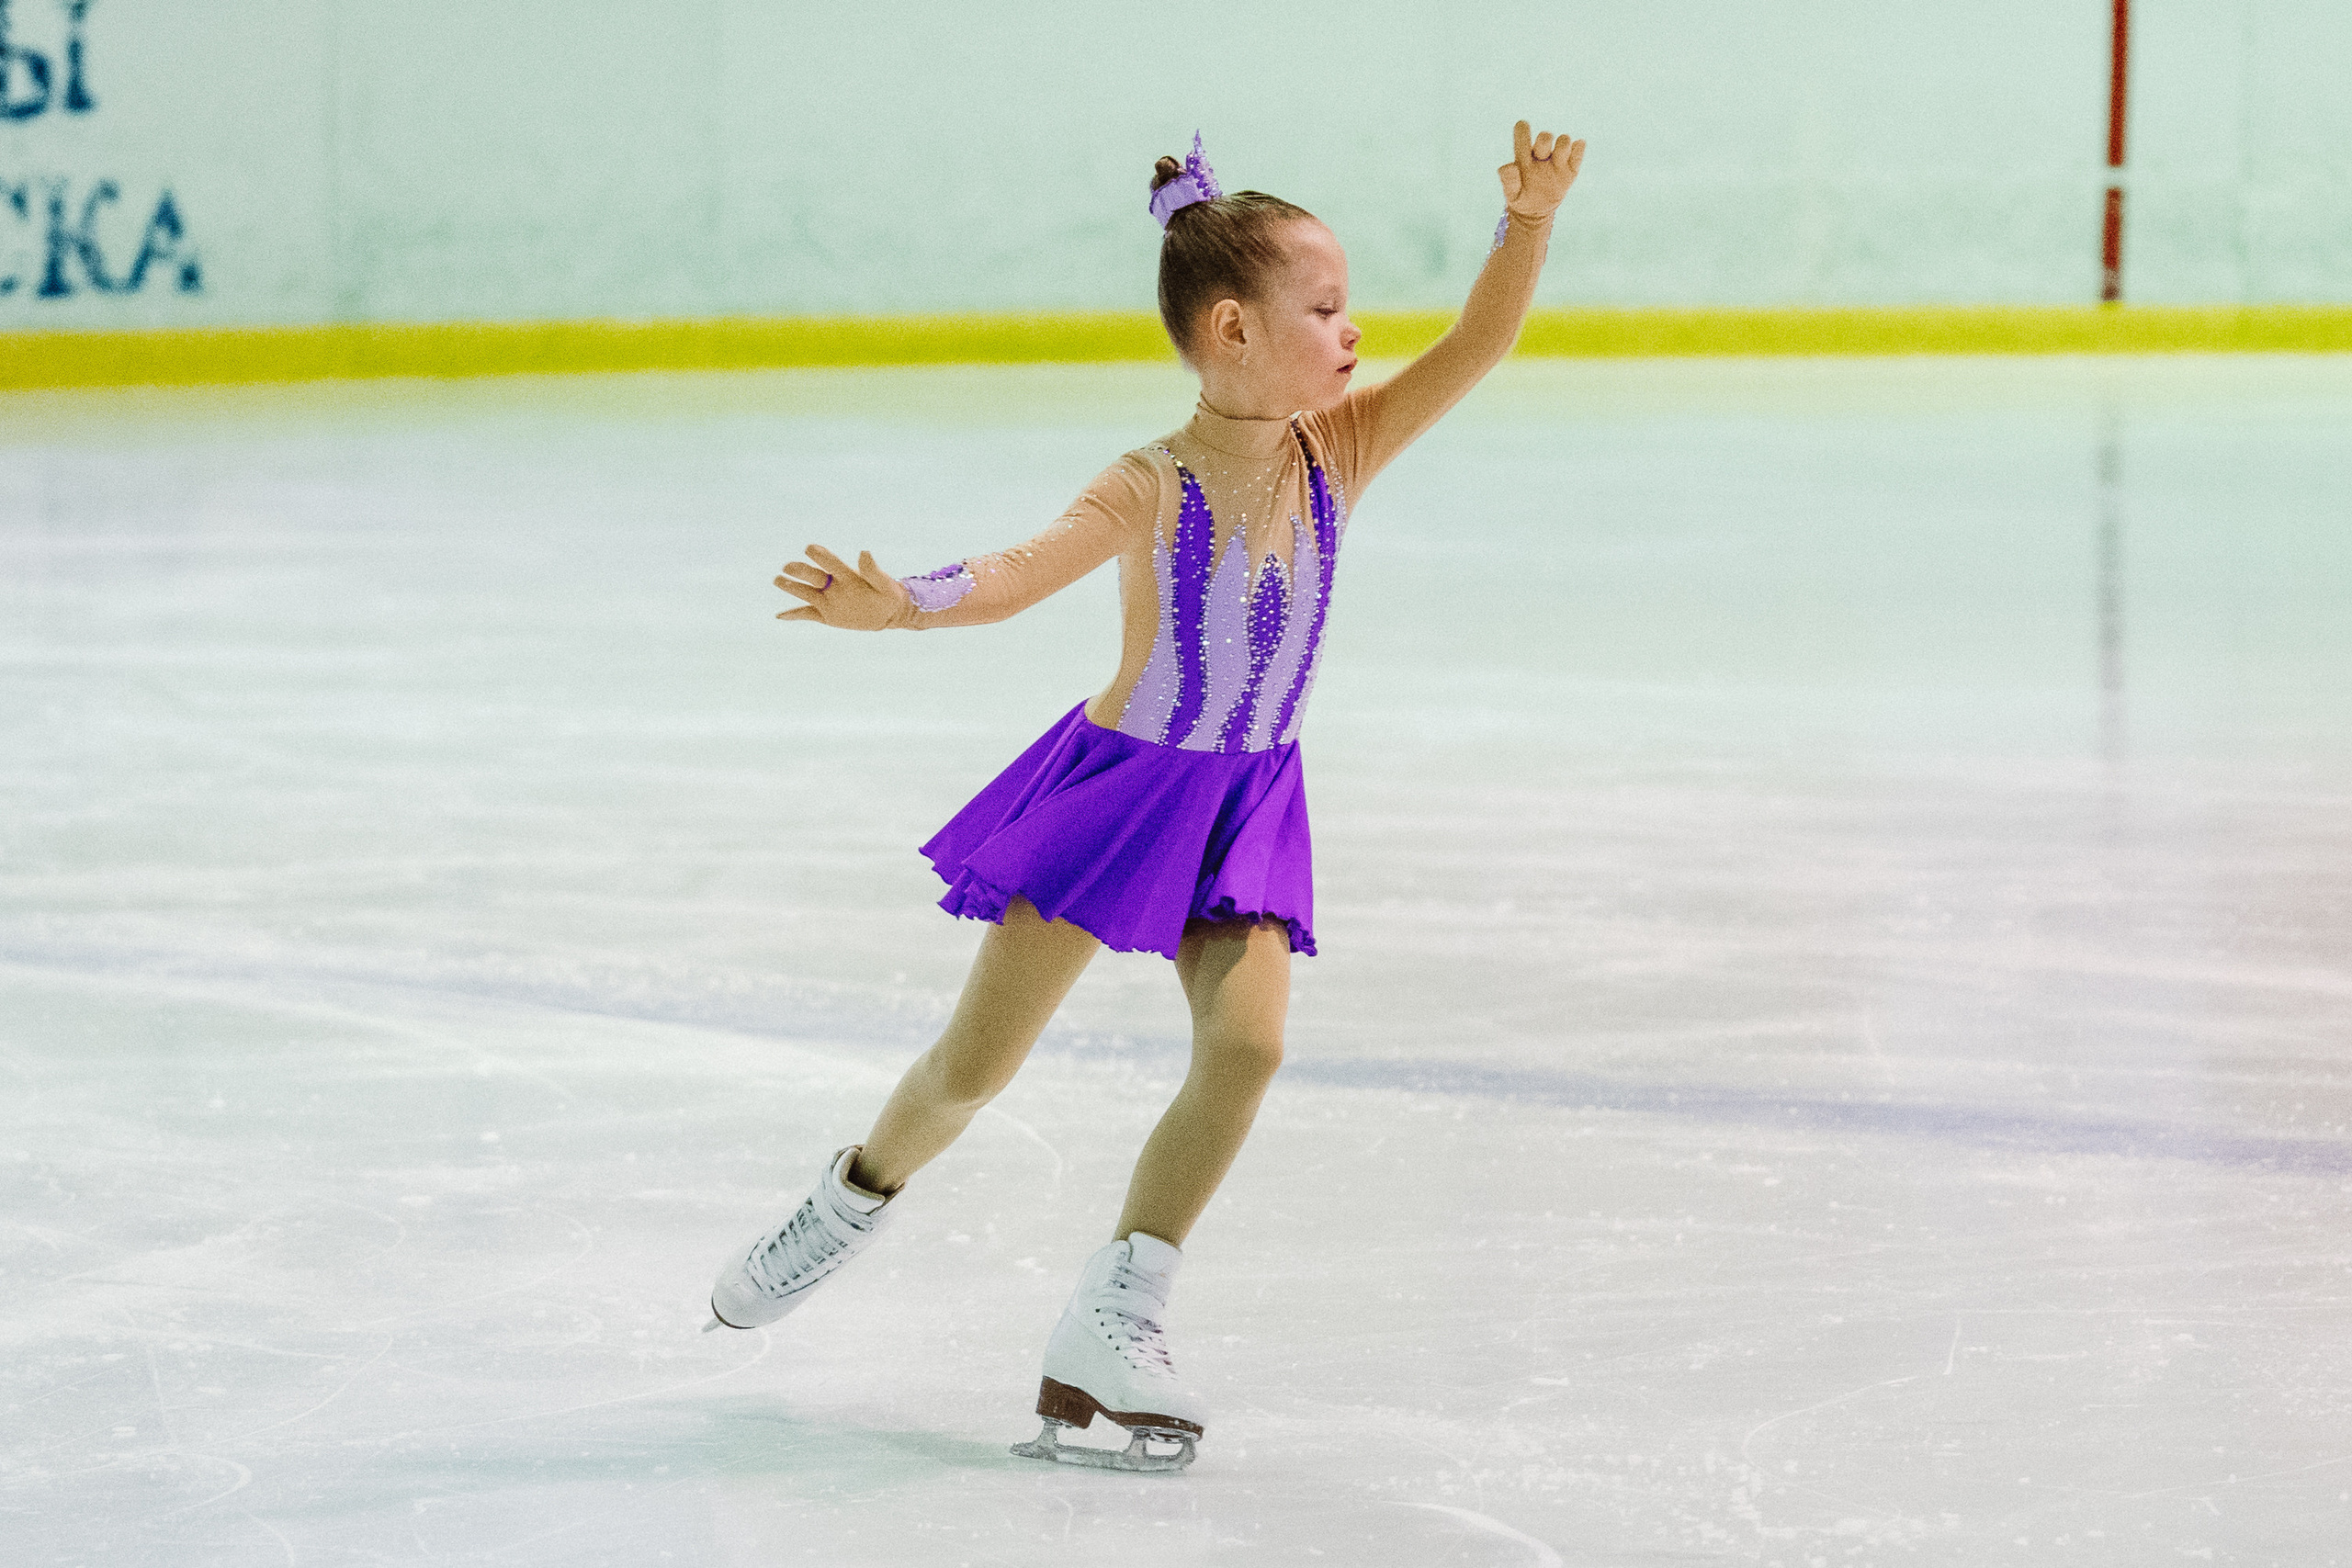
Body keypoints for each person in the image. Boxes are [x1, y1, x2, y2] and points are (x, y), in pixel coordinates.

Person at [708, 121, 1586, 1472]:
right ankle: (849, 1200)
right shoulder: (1150, 483)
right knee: (973, 1069)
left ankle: (1118, 1309)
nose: (1356, 330)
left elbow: (1477, 347)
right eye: (1328, 307)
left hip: (1248, 802)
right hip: (1125, 799)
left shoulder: (1336, 455)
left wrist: (1525, 223)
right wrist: (902, 609)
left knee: (1247, 1049)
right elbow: (1013, 571)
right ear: (1233, 329)